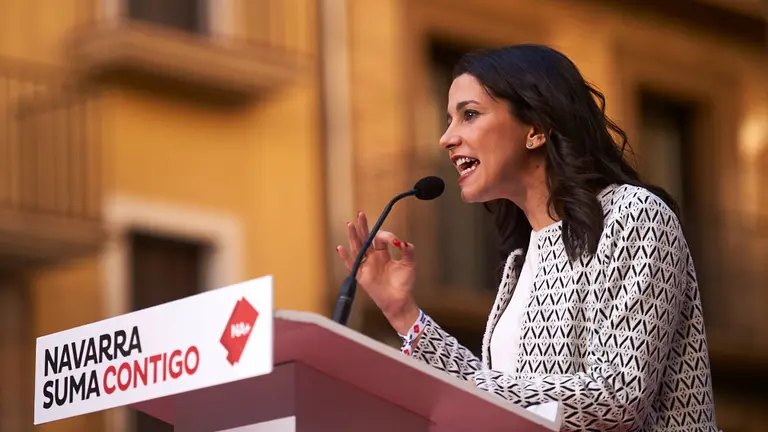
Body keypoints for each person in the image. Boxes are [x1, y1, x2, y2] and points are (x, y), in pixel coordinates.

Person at [335, 44, 717, 431]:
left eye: (469, 115)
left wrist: (468, 388)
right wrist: (402, 312)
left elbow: (618, 395)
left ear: (534, 129)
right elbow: (504, 396)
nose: (446, 138)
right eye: (449, 119)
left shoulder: (633, 214)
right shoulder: (523, 257)